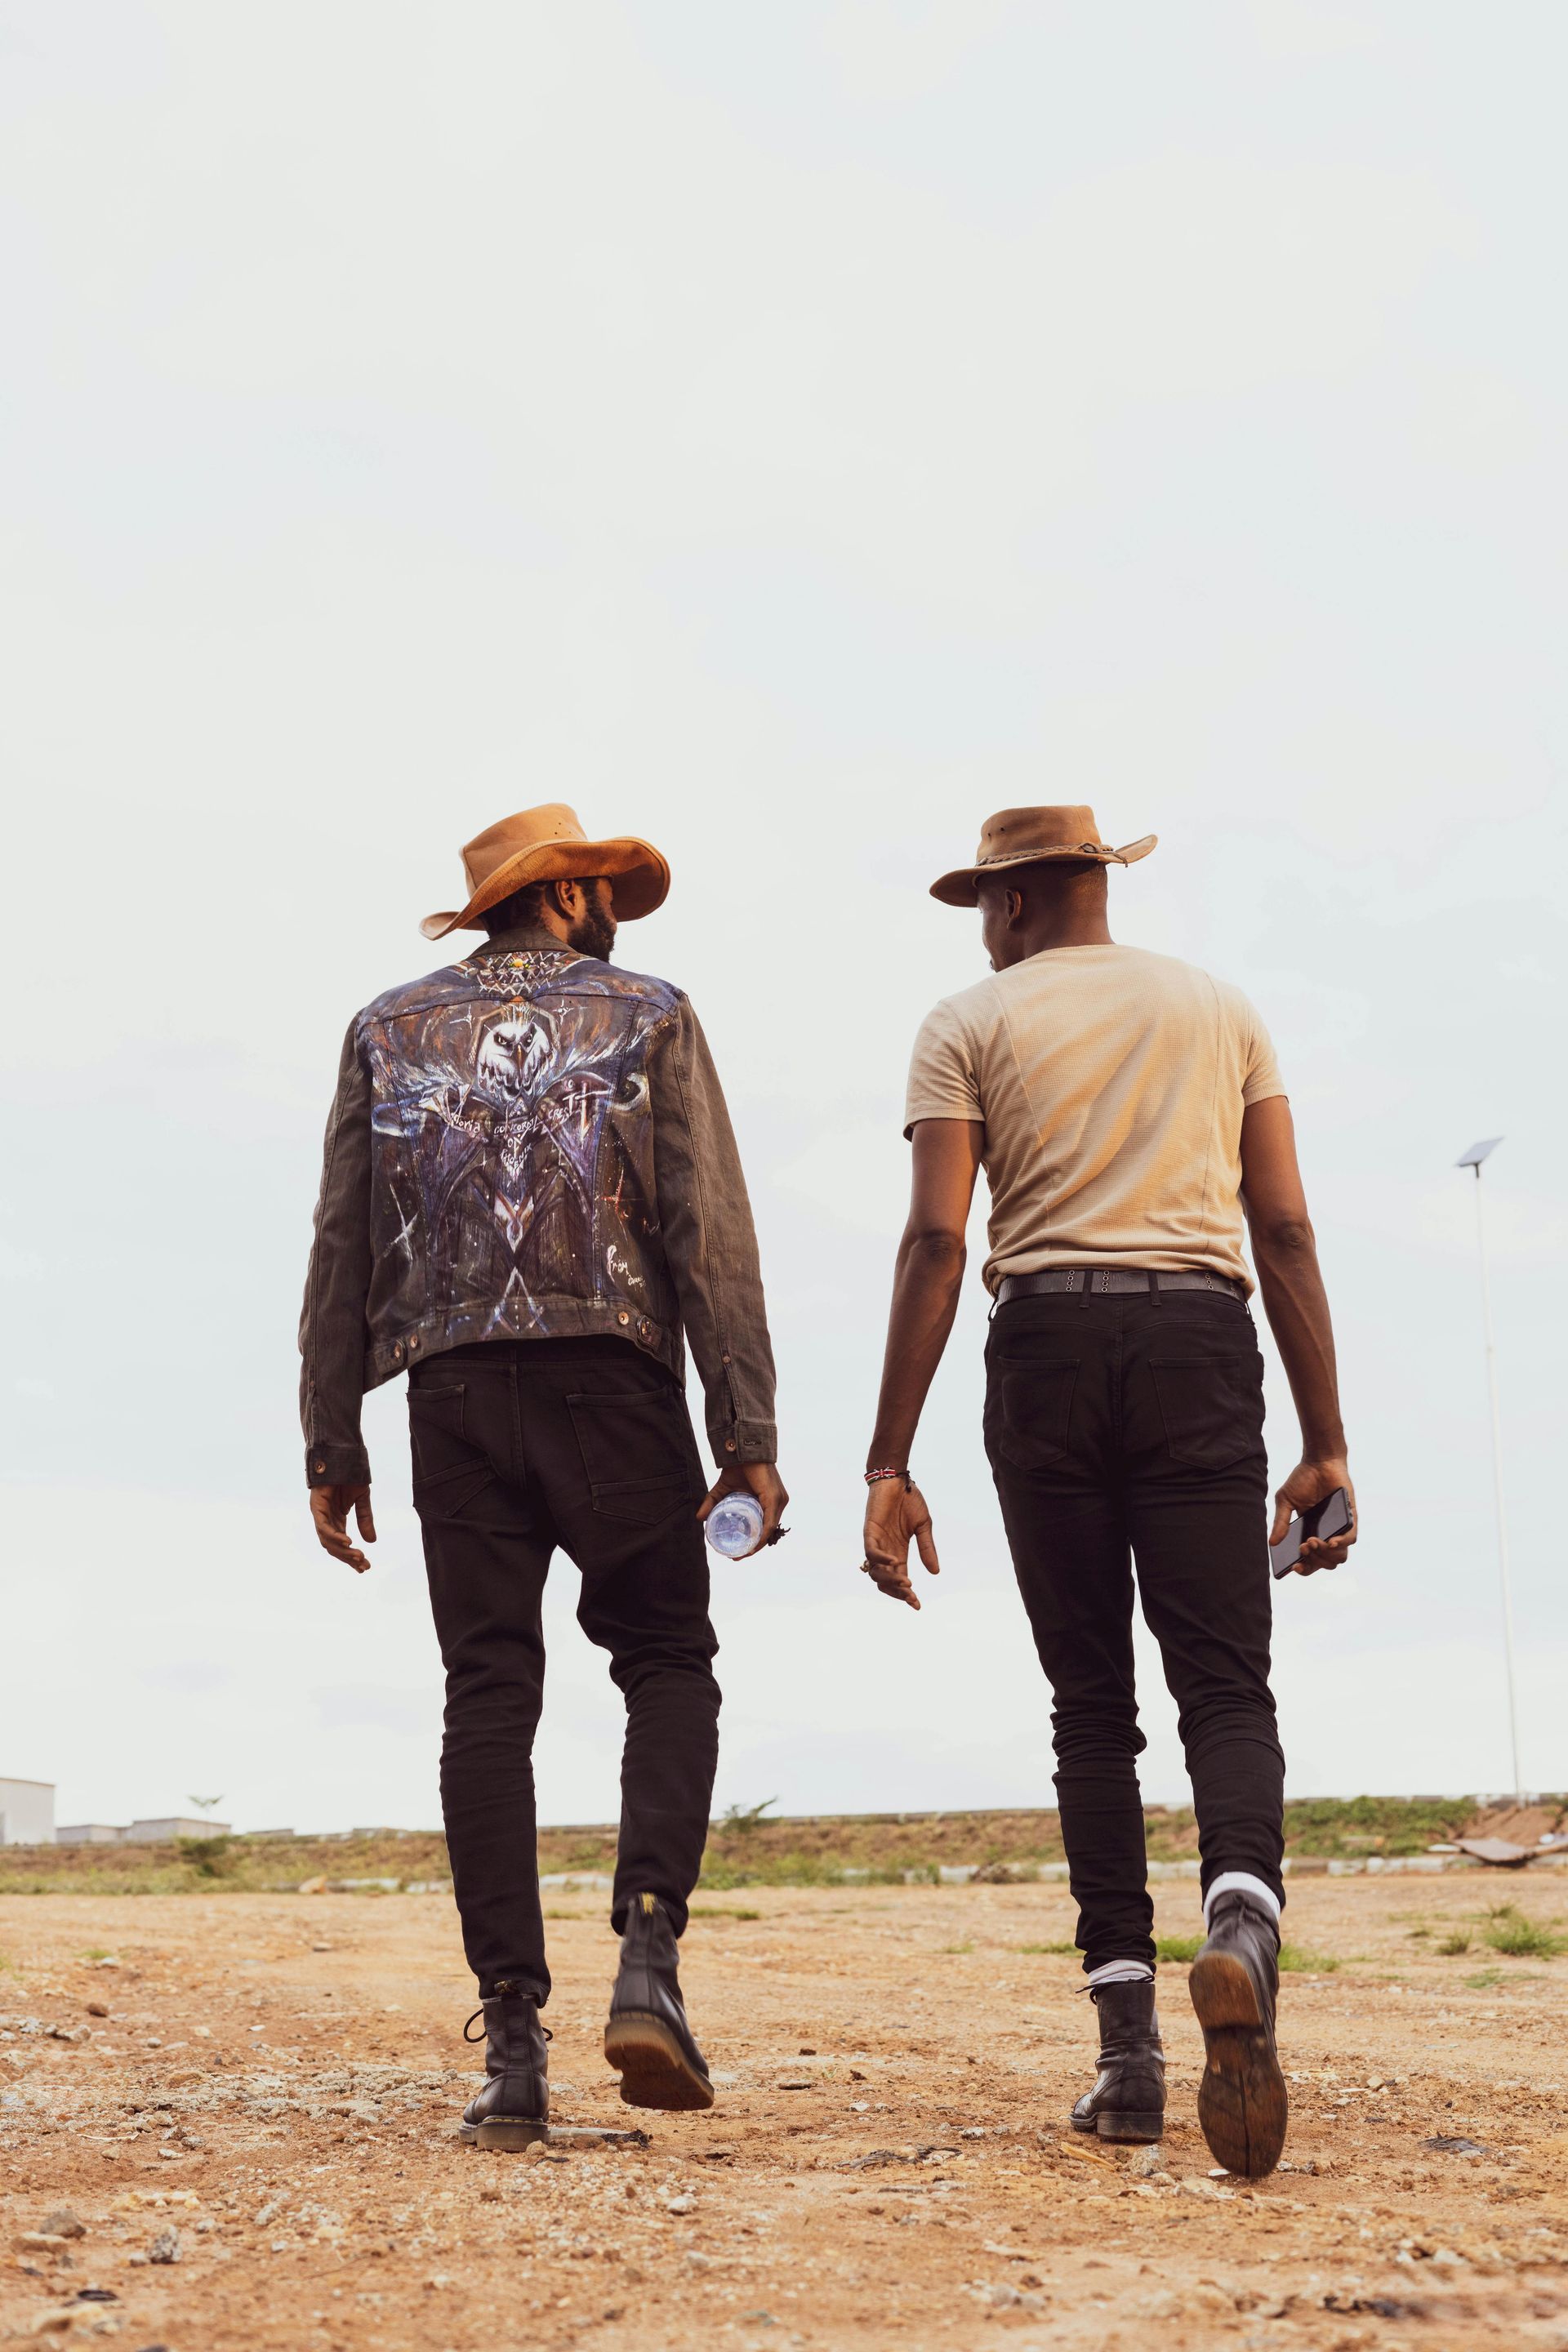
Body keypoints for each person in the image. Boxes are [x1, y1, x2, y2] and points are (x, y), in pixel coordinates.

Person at [858, 804, 1355, 2180]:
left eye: (982, 901)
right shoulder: (1222, 1011)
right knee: (1226, 1686)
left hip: (1046, 1346)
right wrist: (1326, 1442)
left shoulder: (967, 1022)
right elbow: (1284, 1225)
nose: (981, 926)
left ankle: (1130, 2062)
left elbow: (938, 1239)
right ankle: (1241, 1924)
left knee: (1092, 1705)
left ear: (1014, 901)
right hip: (1199, 1337)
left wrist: (890, 1461)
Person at [301, 802, 786, 2145]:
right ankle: (648, 1958)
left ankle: (512, 2049)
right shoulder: (650, 1013)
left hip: (452, 1391)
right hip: (611, 1383)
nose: (613, 907)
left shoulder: (387, 1028)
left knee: (488, 1693)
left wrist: (332, 1435)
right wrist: (746, 1431)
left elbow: (341, 1240)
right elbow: (707, 1232)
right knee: (666, 1660)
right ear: (565, 896)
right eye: (601, 886)